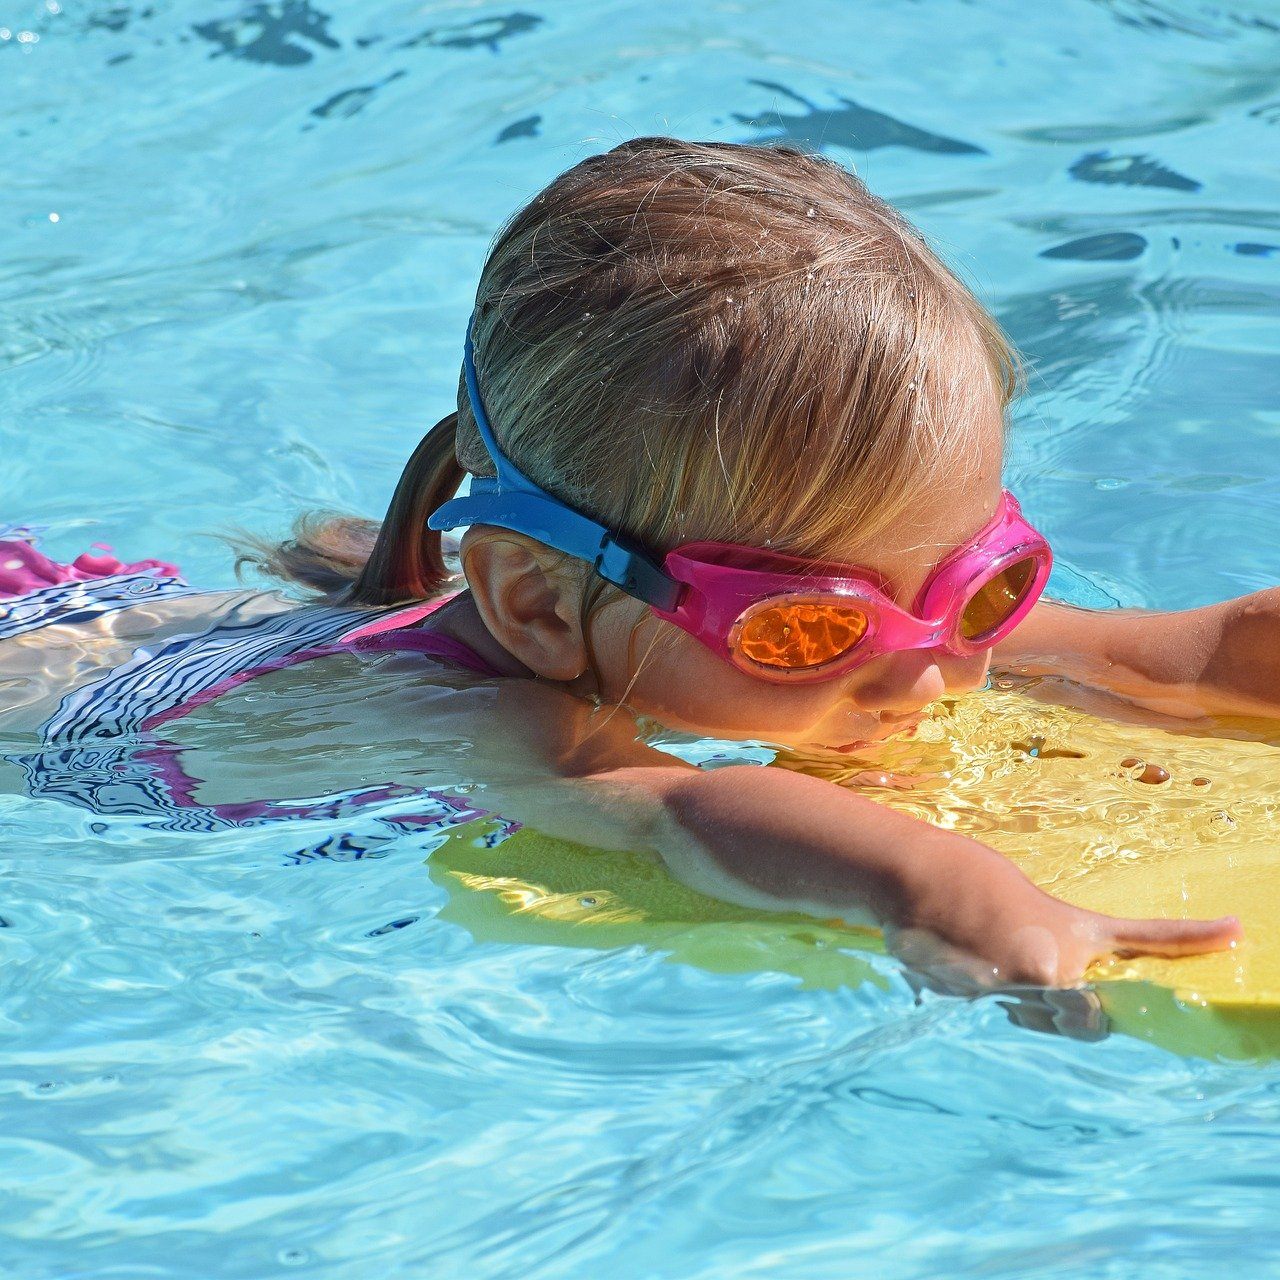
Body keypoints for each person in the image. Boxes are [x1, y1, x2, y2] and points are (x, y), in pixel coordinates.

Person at [4, 138, 1277, 988]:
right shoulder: (485, 714)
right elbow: (667, 809)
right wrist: (944, 884)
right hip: (57, 721)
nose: (928, 673)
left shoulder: (850, 627)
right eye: (806, 632)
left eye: (979, 583)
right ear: (534, 605)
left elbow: (1160, 650)